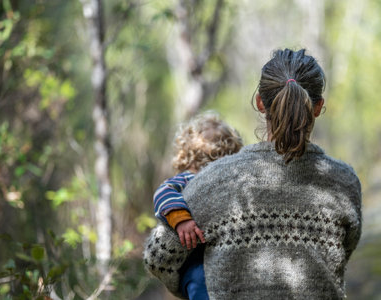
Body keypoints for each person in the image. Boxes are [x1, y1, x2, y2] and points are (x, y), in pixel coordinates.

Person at [144, 48, 362, 300]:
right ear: (318, 106)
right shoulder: (344, 182)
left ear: (260, 103)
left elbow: (158, 259)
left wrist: (196, 285)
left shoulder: (214, 182)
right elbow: (344, 251)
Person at [152, 112, 243, 300]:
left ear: (186, 153)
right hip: (197, 264)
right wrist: (180, 219)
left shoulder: (230, 183)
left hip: (223, 262)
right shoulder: (187, 179)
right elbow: (163, 192)